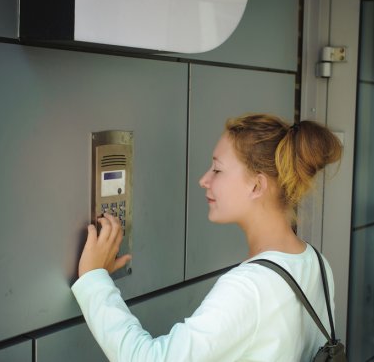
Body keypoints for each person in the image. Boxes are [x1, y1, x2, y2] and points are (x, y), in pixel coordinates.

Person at [72, 113, 343, 361]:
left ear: (257, 185)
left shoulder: (249, 289)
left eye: (217, 169)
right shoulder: (317, 264)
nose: (204, 180)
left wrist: (94, 279)